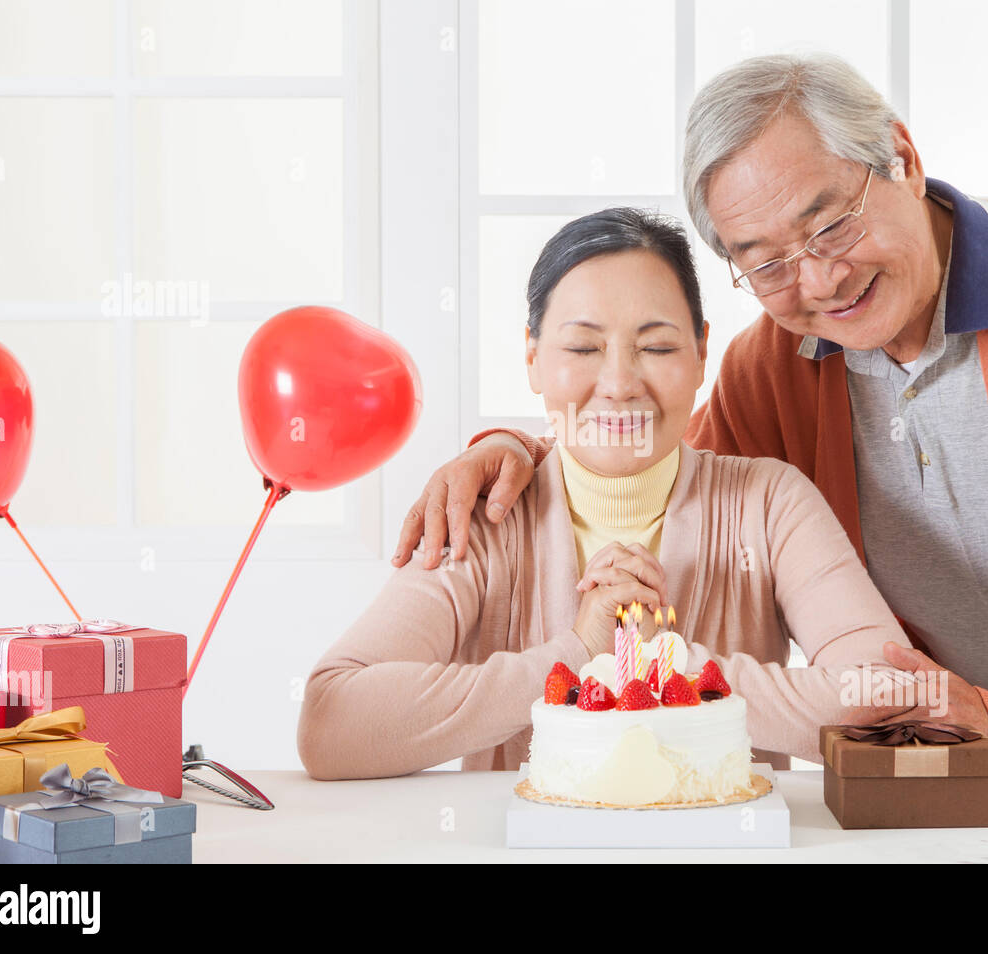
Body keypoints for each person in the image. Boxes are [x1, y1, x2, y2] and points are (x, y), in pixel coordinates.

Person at [394, 54, 988, 840]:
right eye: (763, 263)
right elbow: (669, 478)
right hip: (948, 791)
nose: (817, 282)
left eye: (831, 225)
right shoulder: (774, 365)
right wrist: (511, 444)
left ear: (904, 161)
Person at [298, 207, 918, 780]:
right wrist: (576, 657)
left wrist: (667, 664)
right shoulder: (485, 513)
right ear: (533, 357)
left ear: (703, 352)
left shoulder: (770, 504)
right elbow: (331, 723)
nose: (620, 384)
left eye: (656, 347)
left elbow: (890, 697)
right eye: (582, 347)